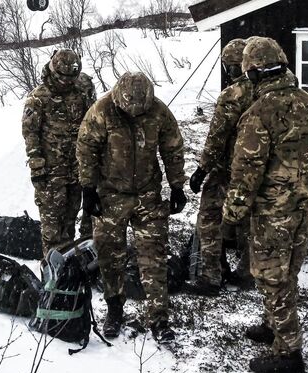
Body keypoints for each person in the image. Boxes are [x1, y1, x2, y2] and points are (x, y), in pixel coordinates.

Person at [223, 37, 308, 373]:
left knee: (271, 276)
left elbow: (246, 171)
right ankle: (272, 325)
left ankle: (289, 351)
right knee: (288, 269)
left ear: (253, 73)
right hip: (304, 203)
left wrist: (232, 212)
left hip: (274, 210)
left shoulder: (258, 113)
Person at [76, 72, 187, 344]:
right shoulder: (102, 110)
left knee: (153, 255)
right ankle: (115, 309)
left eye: (142, 109)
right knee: (110, 255)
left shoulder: (159, 111)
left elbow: (172, 148)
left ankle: (159, 318)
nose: (136, 113)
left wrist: (177, 185)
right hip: (110, 195)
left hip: (148, 194)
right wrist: (88, 189)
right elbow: (86, 149)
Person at [188, 38, 255, 296]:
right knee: (249, 220)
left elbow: (217, 136)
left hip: (229, 169)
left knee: (209, 217)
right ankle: (248, 272)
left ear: (232, 67)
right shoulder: (266, 91)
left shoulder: (232, 95)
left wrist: (202, 170)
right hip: (257, 170)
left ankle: (211, 276)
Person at [22, 49, 97, 256]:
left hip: (78, 167)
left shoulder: (83, 86)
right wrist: (37, 166)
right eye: (62, 77)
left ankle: (73, 261)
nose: (67, 82)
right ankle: (53, 268)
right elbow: (30, 133)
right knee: (53, 227)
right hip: (51, 173)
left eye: (71, 77)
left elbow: (94, 119)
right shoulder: (38, 98)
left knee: (71, 218)